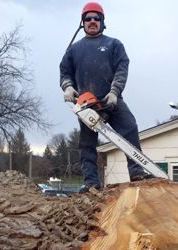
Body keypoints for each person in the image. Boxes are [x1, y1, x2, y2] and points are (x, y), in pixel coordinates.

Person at [59, 2, 153, 193]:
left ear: (102, 21)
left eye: (96, 18)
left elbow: (121, 68)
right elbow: (65, 71)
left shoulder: (113, 45)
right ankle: (91, 182)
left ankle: (136, 171)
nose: (92, 21)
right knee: (86, 143)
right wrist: (68, 87)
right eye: (88, 19)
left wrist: (115, 91)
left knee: (129, 127)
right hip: (86, 105)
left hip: (111, 99)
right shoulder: (74, 50)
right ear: (82, 22)